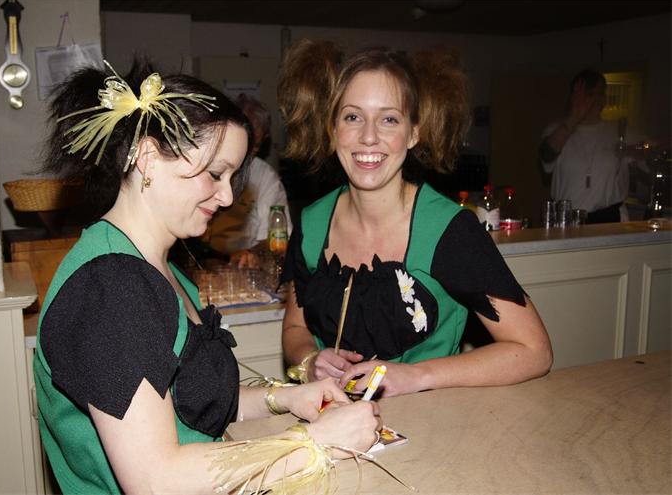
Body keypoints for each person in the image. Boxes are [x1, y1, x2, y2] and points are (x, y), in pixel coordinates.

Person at [34, 61, 381, 495]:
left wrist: (285, 398)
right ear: (147, 158)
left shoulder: (160, 270)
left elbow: (193, 402)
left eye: (233, 177)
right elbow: (155, 480)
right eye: (215, 174)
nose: (228, 196)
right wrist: (316, 441)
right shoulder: (111, 288)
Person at [278, 40, 553, 397]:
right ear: (332, 129)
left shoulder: (448, 230)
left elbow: (534, 351)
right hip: (332, 420)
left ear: (413, 133)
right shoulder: (313, 223)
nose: (369, 137)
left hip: (430, 420)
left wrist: (417, 376)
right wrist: (310, 360)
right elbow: (295, 329)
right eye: (352, 117)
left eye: (389, 119)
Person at [206, 94, 292, 268]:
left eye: (254, 147)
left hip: (243, 266)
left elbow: (277, 238)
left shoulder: (266, 177)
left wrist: (250, 254)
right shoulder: (203, 165)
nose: (245, 155)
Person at [539, 69, 627, 223]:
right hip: (566, 221)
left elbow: (654, 151)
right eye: (590, 94)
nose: (595, 100)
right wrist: (574, 117)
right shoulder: (557, 131)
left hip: (609, 221)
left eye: (600, 94)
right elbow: (546, 156)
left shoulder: (619, 131)